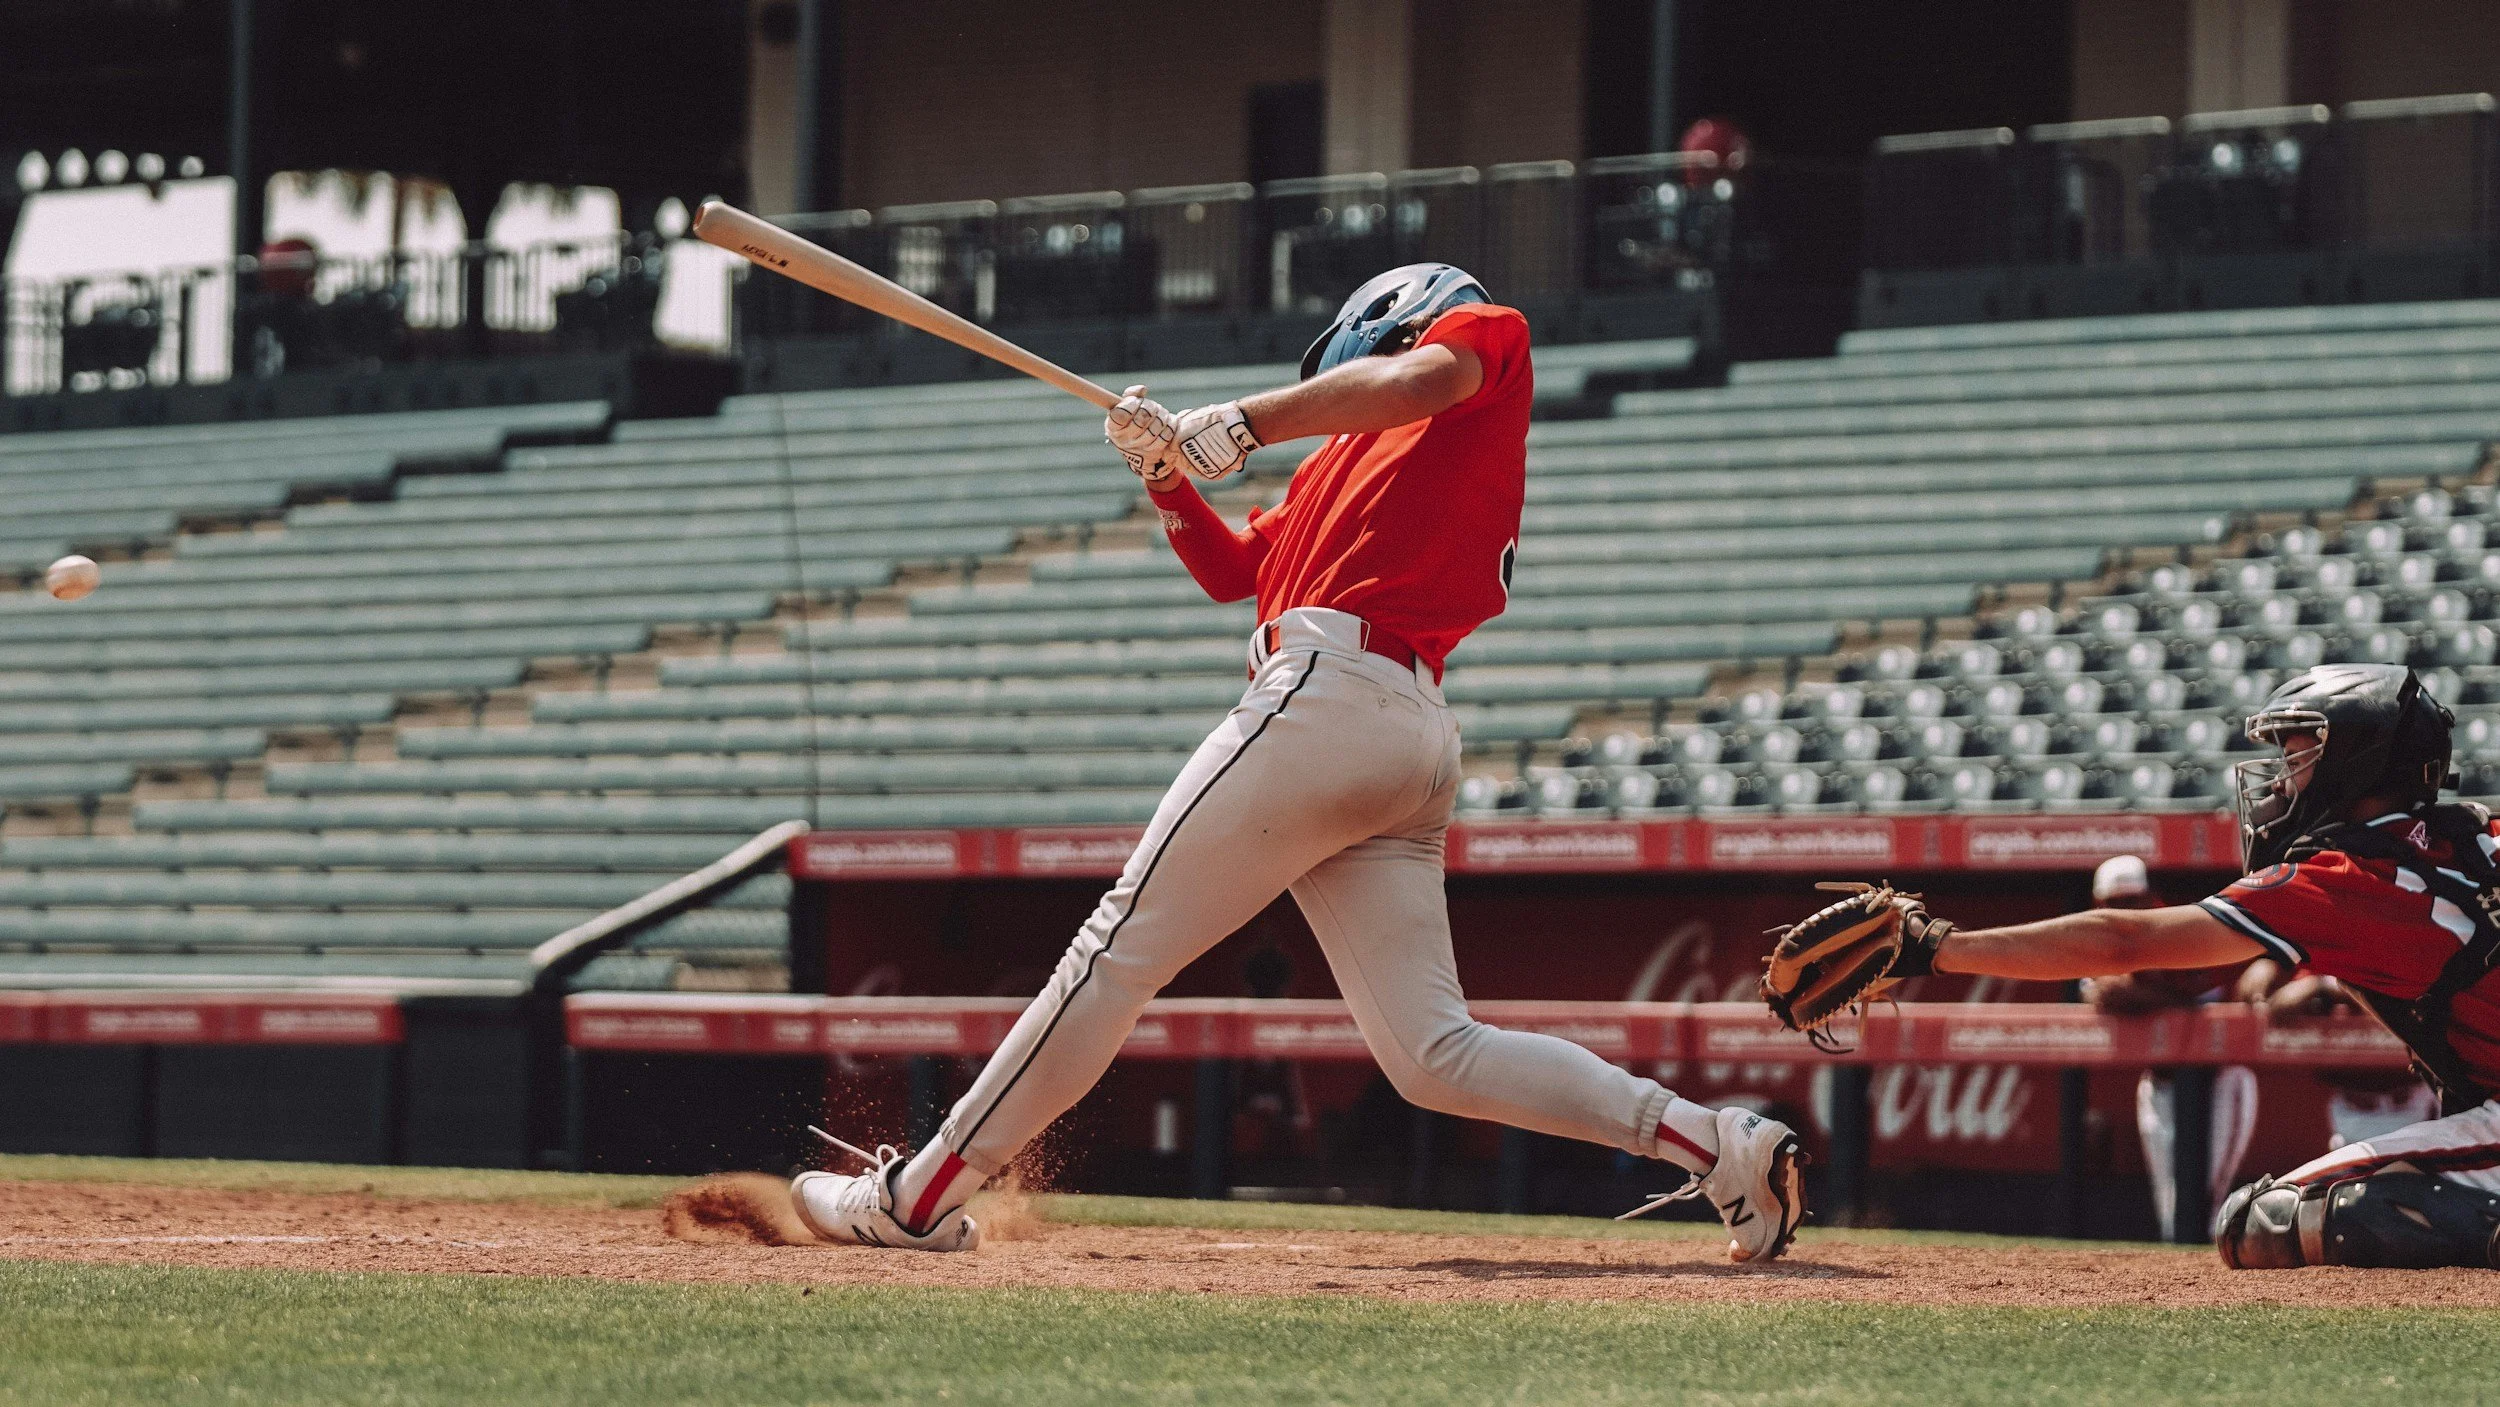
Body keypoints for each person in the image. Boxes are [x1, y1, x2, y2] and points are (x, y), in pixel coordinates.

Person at [789, 264, 1809, 1262]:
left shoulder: (1477, 337)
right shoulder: (1342, 464)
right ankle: (1716, 1143)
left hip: (1331, 701)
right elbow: (1236, 571)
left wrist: (1239, 420)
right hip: (1394, 733)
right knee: (1434, 1055)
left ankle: (915, 1197)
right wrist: (1164, 475)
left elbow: (1413, 382)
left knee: (1114, 950)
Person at [1805, 663, 2500, 1268]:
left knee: (2263, 1220)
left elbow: (2122, 943)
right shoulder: (2469, 828)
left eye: (2301, 753)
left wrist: (1940, 946)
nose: (2282, 779)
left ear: (2361, 761)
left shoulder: (2353, 871)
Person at [2079, 854, 2261, 1241]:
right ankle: (2181, 1294)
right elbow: (2103, 994)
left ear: (2150, 900)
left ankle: (2220, 1297)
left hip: (2219, 1084)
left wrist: (2140, 994)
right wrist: (2141, 994)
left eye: (2130, 903)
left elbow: (2204, 1006)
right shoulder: (2095, 939)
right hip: (2160, 1085)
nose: (2121, 913)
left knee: (2207, 1207)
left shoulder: (2180, 929)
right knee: (2171, 1211)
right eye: (2113, 905)